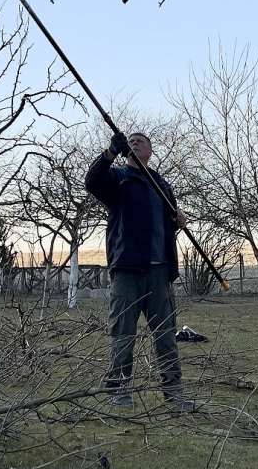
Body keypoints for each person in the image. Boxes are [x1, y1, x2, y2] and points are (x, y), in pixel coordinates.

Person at [84, 129, 195, 410]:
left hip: (160, 272)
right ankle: (120, 389)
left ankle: (174, 392)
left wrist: (177, 219)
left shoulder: (161, 185)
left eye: (141, 141)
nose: (134, 143)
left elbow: (165, 221)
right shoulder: (118, 179)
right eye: (130, 141)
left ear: (150, 151)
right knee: (123, 332)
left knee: (166, 335)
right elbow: (92, 182)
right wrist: (108, 154)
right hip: (127, 269)